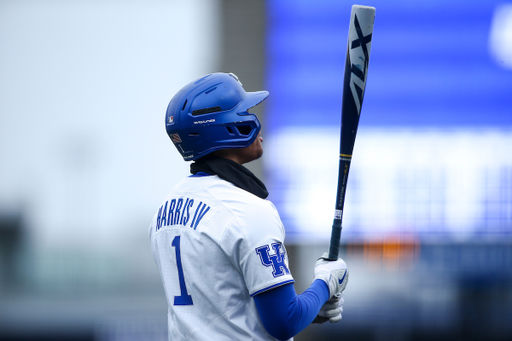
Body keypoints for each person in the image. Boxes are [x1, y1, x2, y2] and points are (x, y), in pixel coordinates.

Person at [149, 72, 349, 341]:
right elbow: (284, 321)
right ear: (225, 125)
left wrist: (310, 308)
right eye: (244, 111)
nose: (255, 120)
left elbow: (224, 308)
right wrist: (326, 283)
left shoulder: (166, 209)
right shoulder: (248, 210)